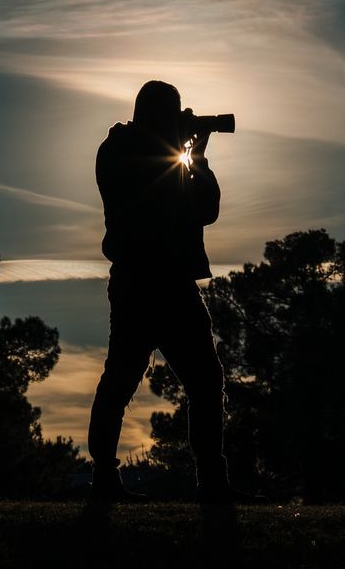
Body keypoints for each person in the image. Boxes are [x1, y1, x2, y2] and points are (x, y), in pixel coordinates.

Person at [86, 80, 241, 504]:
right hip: (140, 280)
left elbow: (206, 210)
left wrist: (197, 156)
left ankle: (212, 481)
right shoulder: (119, 149)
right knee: (120, 381)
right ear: (152, 113)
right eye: (172, 111)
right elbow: (146, 187)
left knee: (206, 381)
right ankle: (104, 478)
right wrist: (178, 149)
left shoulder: (168, 153)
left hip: (174, 283)